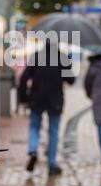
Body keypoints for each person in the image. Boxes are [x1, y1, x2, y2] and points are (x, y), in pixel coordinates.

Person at [19, 40, 75, 175]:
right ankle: (52, 163)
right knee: (53, 131)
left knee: (34, 127)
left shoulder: (37, 56)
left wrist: (23, 98)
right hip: (55, 100)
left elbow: (23, 78)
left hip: (36, 99)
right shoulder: (62, 57)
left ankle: (33, 150)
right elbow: (71, 80)